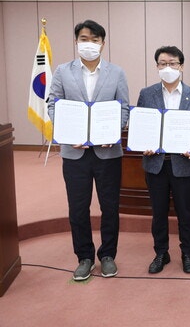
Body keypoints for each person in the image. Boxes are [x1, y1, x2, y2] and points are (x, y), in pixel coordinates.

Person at [48, 19, 129, 281]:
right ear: (76, 41)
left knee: (110, 206)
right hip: (75, 153)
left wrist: (113, 132)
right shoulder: (62, 71)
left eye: (95, 40)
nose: (89, 44)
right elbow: (53, 106)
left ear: (103, 44)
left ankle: (107, 256)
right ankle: (84, 256)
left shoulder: (116, 72)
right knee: (78, 208)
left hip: (108, 152)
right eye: (85, 38)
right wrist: (67, 134)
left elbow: (124, 109)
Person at [136, 46, 190, 274]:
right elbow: (141, 123)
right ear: (157, 67)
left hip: (182, 163)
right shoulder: (147, 94)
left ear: (181, 66)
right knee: (158, 212)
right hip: (155, 163)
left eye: (173, 63)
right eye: (163, 63)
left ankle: (187, 253)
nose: (168, 68)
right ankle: (161, 253)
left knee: (185, 213)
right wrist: (143, 142)